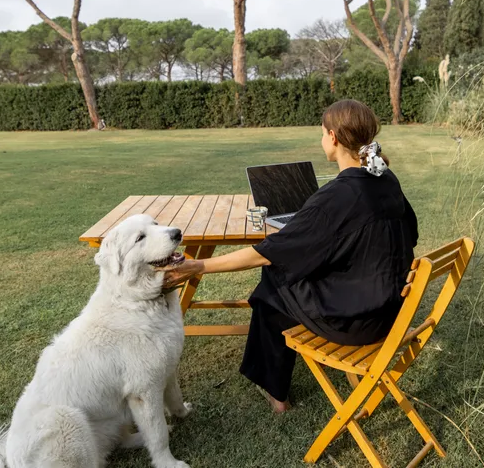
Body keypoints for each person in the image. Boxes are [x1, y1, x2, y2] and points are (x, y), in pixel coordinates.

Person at [163, 99, 418, 413]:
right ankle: (272, 381)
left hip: (356, 323)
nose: (321, 139)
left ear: (334, 137)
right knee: (287, 276)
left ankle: (276, 392)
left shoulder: (337, 196)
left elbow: (266, 254)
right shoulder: (386, 180)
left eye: (323, 133)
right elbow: (408, 235)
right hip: (388, 313)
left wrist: (198, 266)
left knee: (274, 281)